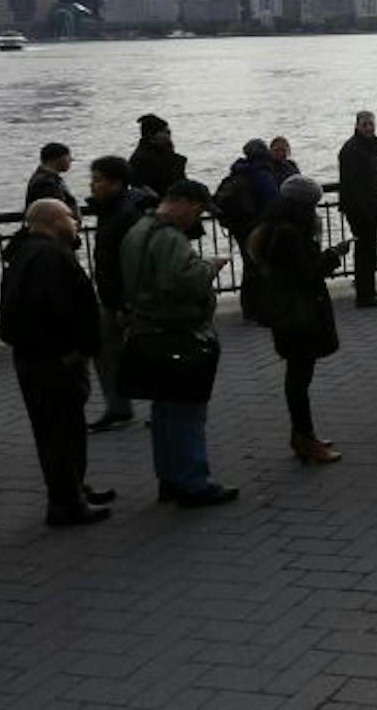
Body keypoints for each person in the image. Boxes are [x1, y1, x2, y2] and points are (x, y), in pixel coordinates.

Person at [120, 180, 239, 507]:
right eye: (199, 209)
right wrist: (207, 267)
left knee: (165, 410)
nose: (198, 217)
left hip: (148, 330)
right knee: (187, 409)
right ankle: (193, 482)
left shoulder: (137, 230)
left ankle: (169, 478)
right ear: (183, 203)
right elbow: (180, 282)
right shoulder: (169, 237)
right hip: (177, 332)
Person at [0, 198, 111, 527]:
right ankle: (66, 502)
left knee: (64, 429)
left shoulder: (28, 253)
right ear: (51, 220)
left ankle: (73, 487)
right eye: (68, 216)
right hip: (52, 359)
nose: (75, 221)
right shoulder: (46, 256)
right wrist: (70, 350)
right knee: (60, 432)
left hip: (42, 358)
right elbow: (50, 309)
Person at [251, 177, 346, 464]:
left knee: (298, 375)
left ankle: (302, 435)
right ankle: (305, 438)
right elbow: (306, 274)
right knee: (299, 377)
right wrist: (333, 255)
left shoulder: (273, 226)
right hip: (297, 314)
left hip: (287, 312)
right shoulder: (290, 233)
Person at [85, 156, 152, 432]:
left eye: (98, 179)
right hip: (113, 296)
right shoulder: (114, 208)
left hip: (128, 298)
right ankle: (118, 407)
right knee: (105, 349)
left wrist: (127, 300)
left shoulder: (126, 213)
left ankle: (161, 405)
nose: (92, 185)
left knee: (148, 351)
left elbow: (137, 259)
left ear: (116, 183)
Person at [217, 140, 282, 324]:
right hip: (258, 225)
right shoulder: (262, 173)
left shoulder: (239, 170)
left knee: (250, 266)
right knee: (261, 266)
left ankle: (249, 309)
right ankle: (261, 310)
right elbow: (274, 199)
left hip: (240, 226)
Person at [337, 111, 377, 308]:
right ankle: (365, 295)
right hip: (361, 210)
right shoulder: (352, 149)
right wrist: (366, 211)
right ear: (357, 126)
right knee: (365, 253)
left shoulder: (369, 147)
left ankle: (368, 291)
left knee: (369, 252)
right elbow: (353, 185)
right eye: (365, 124)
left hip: (371, 207)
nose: (369, 127)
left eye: (371, 124)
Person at [128, 115, 188, 198]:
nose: (169, 136)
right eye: (165, 132)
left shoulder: (164, 151)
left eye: (169, 132)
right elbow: (140, 187)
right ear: (151, 135)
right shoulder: (140, 159)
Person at [25, 143, 77, 214]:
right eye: (68, 157)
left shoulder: (44, 177)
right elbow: (55, 211)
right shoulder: (46, 182)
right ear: (57, 159)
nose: (71, 160)